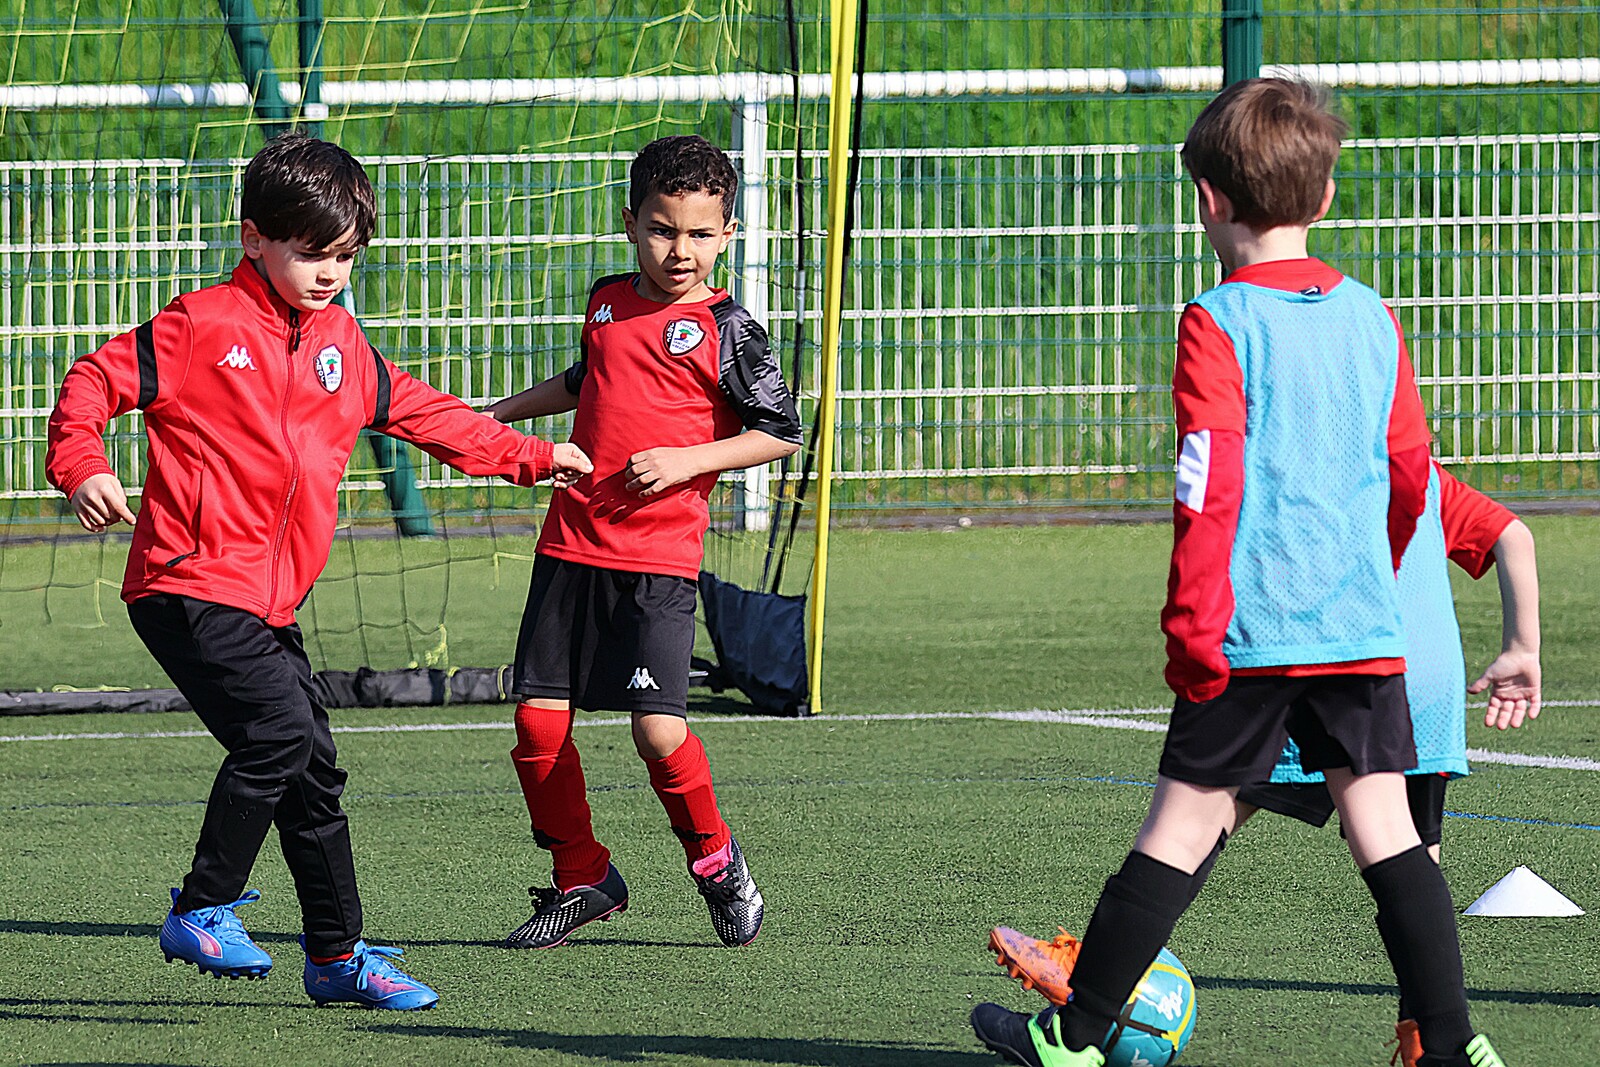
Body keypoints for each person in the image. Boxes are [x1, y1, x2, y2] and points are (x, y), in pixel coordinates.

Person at [970, 78, 1512, 1067]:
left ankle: (1075, 1036)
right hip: (1361, 628)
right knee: (1388, 833)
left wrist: (1191, 627)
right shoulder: (1373, 317)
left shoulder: (1215, 321)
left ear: (1207, 200)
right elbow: (1410, 473)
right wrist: (1372, 574)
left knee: (1179, 828)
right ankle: (1450, 1042)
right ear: (1326, 197)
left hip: (1254, 633)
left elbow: (1207, 486)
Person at [45, 132, 592, 1010]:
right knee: (277, 734)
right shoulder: (201, 324)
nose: (329, 272)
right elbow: (89, 382)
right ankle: (202, 904)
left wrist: (532, 455)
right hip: (187, 581)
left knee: (312, 773)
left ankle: (337, 956)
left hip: (268, 604)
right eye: (310, 253)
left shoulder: (344, 343)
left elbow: (429, 414)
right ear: (255, 238)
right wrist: (83, 464)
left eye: (344, 254)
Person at [989, 460, 1540, 1067]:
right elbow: (1513, 534)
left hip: (1323, 656)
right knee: (1408, 859)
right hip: (1426, 684)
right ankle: (1434, 1042)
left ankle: (1091, 995)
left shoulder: (1292, 459)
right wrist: (1523, 646)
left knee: (1197, 821)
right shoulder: (1417, 471)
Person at [484, 134, 801, 950]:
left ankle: (717, 861)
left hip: (657, 560)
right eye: (662, 230)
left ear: (728, 234)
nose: (680, 250)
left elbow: (780, 431)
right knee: (537, 725)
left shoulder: (729, 328)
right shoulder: (606, 301)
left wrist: (687, 460)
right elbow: (586, 380)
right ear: (631, 223)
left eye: (700, 233)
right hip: (569, 544)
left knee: (656, 730)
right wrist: (495, 419)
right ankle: (582, 876)